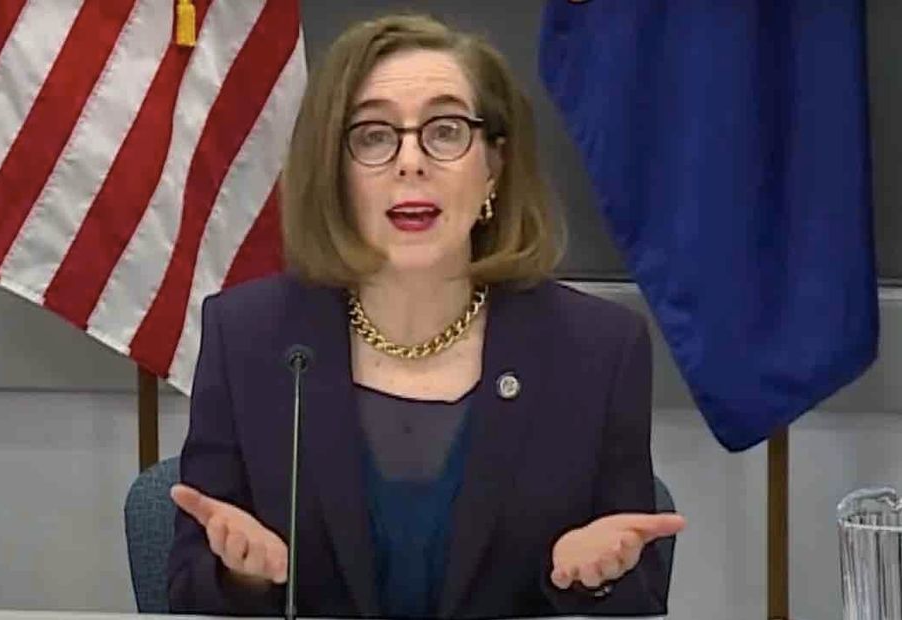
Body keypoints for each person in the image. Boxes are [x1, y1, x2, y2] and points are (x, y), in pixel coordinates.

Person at [167, 12, 685, 619]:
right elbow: (186, 584)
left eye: (445, 131)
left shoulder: (598, 349)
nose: (410, 161)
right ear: (334, 174)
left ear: (493, 168)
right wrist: (239, 574)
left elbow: (638, 588)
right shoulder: (246, 338)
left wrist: (593, 577)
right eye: (373, 136)